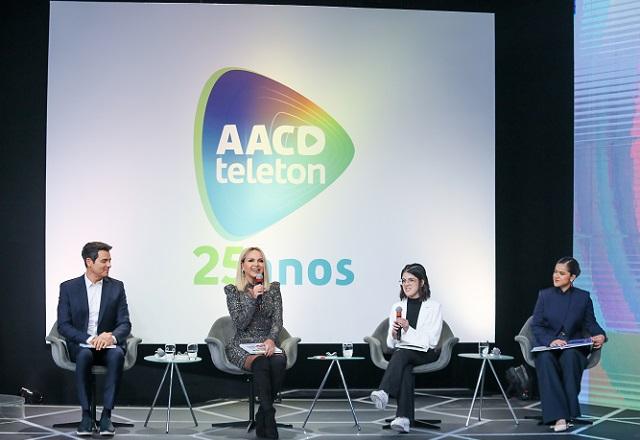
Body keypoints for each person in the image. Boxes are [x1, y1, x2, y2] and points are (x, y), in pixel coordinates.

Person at [57, 242, 131, 436]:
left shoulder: (117, 287)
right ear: (89, 262)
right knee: (83, 356)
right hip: (83, 345)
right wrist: (90, 339)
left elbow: (125, 323)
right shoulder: (68, 288)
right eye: (104, 261)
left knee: (116, 356)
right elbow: (63, 325)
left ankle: (107, 416)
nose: (109, 265)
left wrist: (111, 337)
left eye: (110, 261)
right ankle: (86, 416)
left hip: (108, 346)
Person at [531, 257, 606, 432]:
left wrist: (600, 335)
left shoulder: (583, 297)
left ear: (572, 277)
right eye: (555, 272)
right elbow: (536, 325)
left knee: (571, 358)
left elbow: (591, 324)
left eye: (561, 273)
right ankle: (560, 416)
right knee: (545, 360)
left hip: (573, 347)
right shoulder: (544, 295)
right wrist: (551, 340)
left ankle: (563, 414)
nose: (556, 276)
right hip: (548, 345)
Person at [370, 263, 443, 433]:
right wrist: (395, 334)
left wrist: (408, 330)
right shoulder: (398, 307)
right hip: (403, 354)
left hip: (426, 353)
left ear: (422, 282)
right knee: (405, 366)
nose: (406, 284)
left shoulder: (434, 307)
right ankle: (403, 419)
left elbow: (431, 341)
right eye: (403, 280)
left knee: (401, 354)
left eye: (411, 280)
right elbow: (390, 344)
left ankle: (384, 391)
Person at [225, 247, 286, 439]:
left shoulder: (273, 289)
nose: (256, 264)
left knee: (278, 361)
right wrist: (252, 298)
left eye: (260, 260)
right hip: (242, 345)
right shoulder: (233, 291)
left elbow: (278, 321)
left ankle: (263, 415)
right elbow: (240, 323)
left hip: (266, 342)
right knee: (260, 363)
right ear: (243, 265)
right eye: (251, 260)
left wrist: (270, 339)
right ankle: (270, 415)